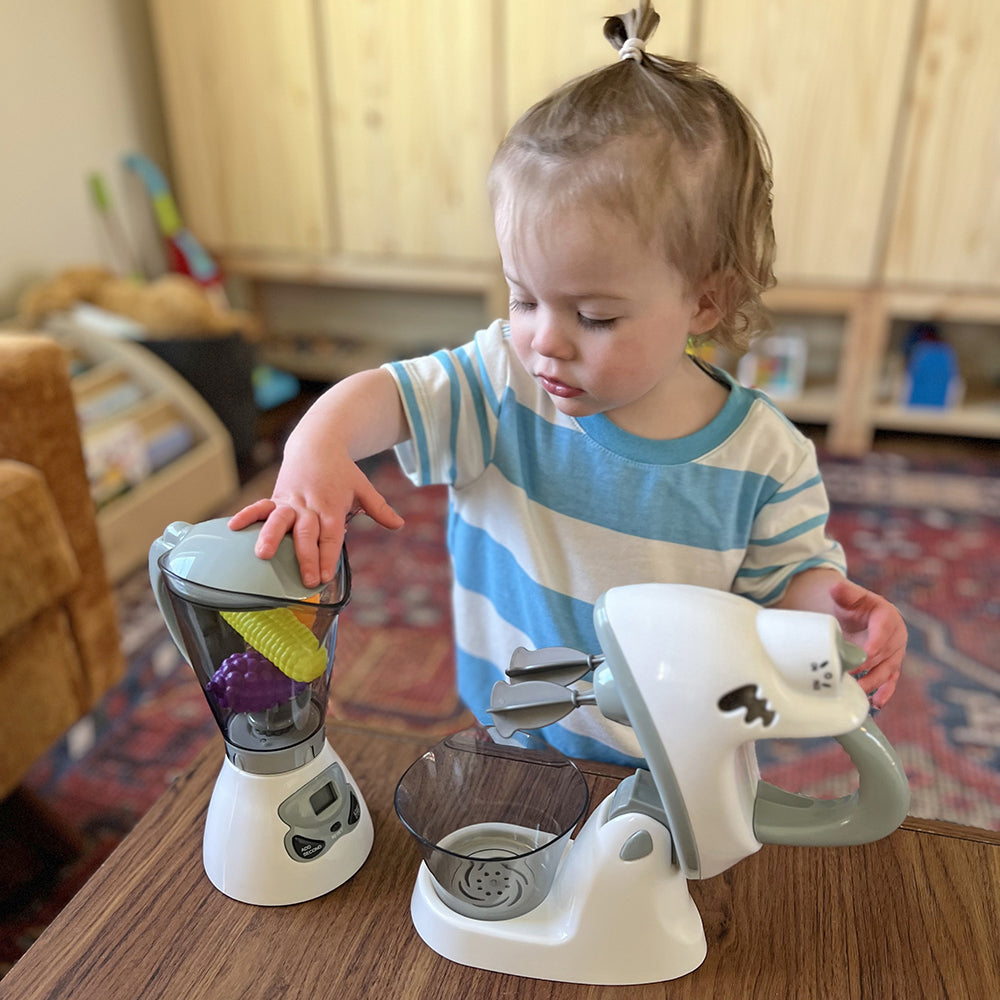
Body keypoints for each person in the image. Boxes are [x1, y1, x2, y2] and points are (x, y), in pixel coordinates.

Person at [230, 1, 906, 765]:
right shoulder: (500, 382)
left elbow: (789, 588)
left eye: (592, 315)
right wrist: (317, 444)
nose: (544, 339)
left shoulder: (766, 460)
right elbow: (390, 395)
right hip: (514, 729)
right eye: (523, 297)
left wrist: (836, 616)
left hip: (681, 758)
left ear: (705, 300)